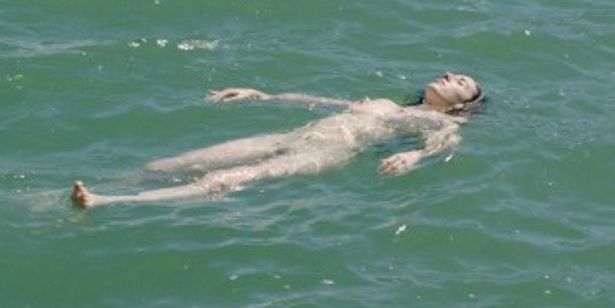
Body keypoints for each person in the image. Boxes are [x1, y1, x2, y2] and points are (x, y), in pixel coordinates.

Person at [71, 72, 485, 207]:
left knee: (222, 182)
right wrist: (263, 95)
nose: (449, 75)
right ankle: (120, 181)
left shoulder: (444, 124)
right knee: (173, 164)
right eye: (450, 73)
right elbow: (324, 102)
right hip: (289, 137)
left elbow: (443, 145)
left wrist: (414, 159)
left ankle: (107, 202)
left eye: (460, 81)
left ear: (463, 103)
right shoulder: (384, 102)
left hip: (327, 153)